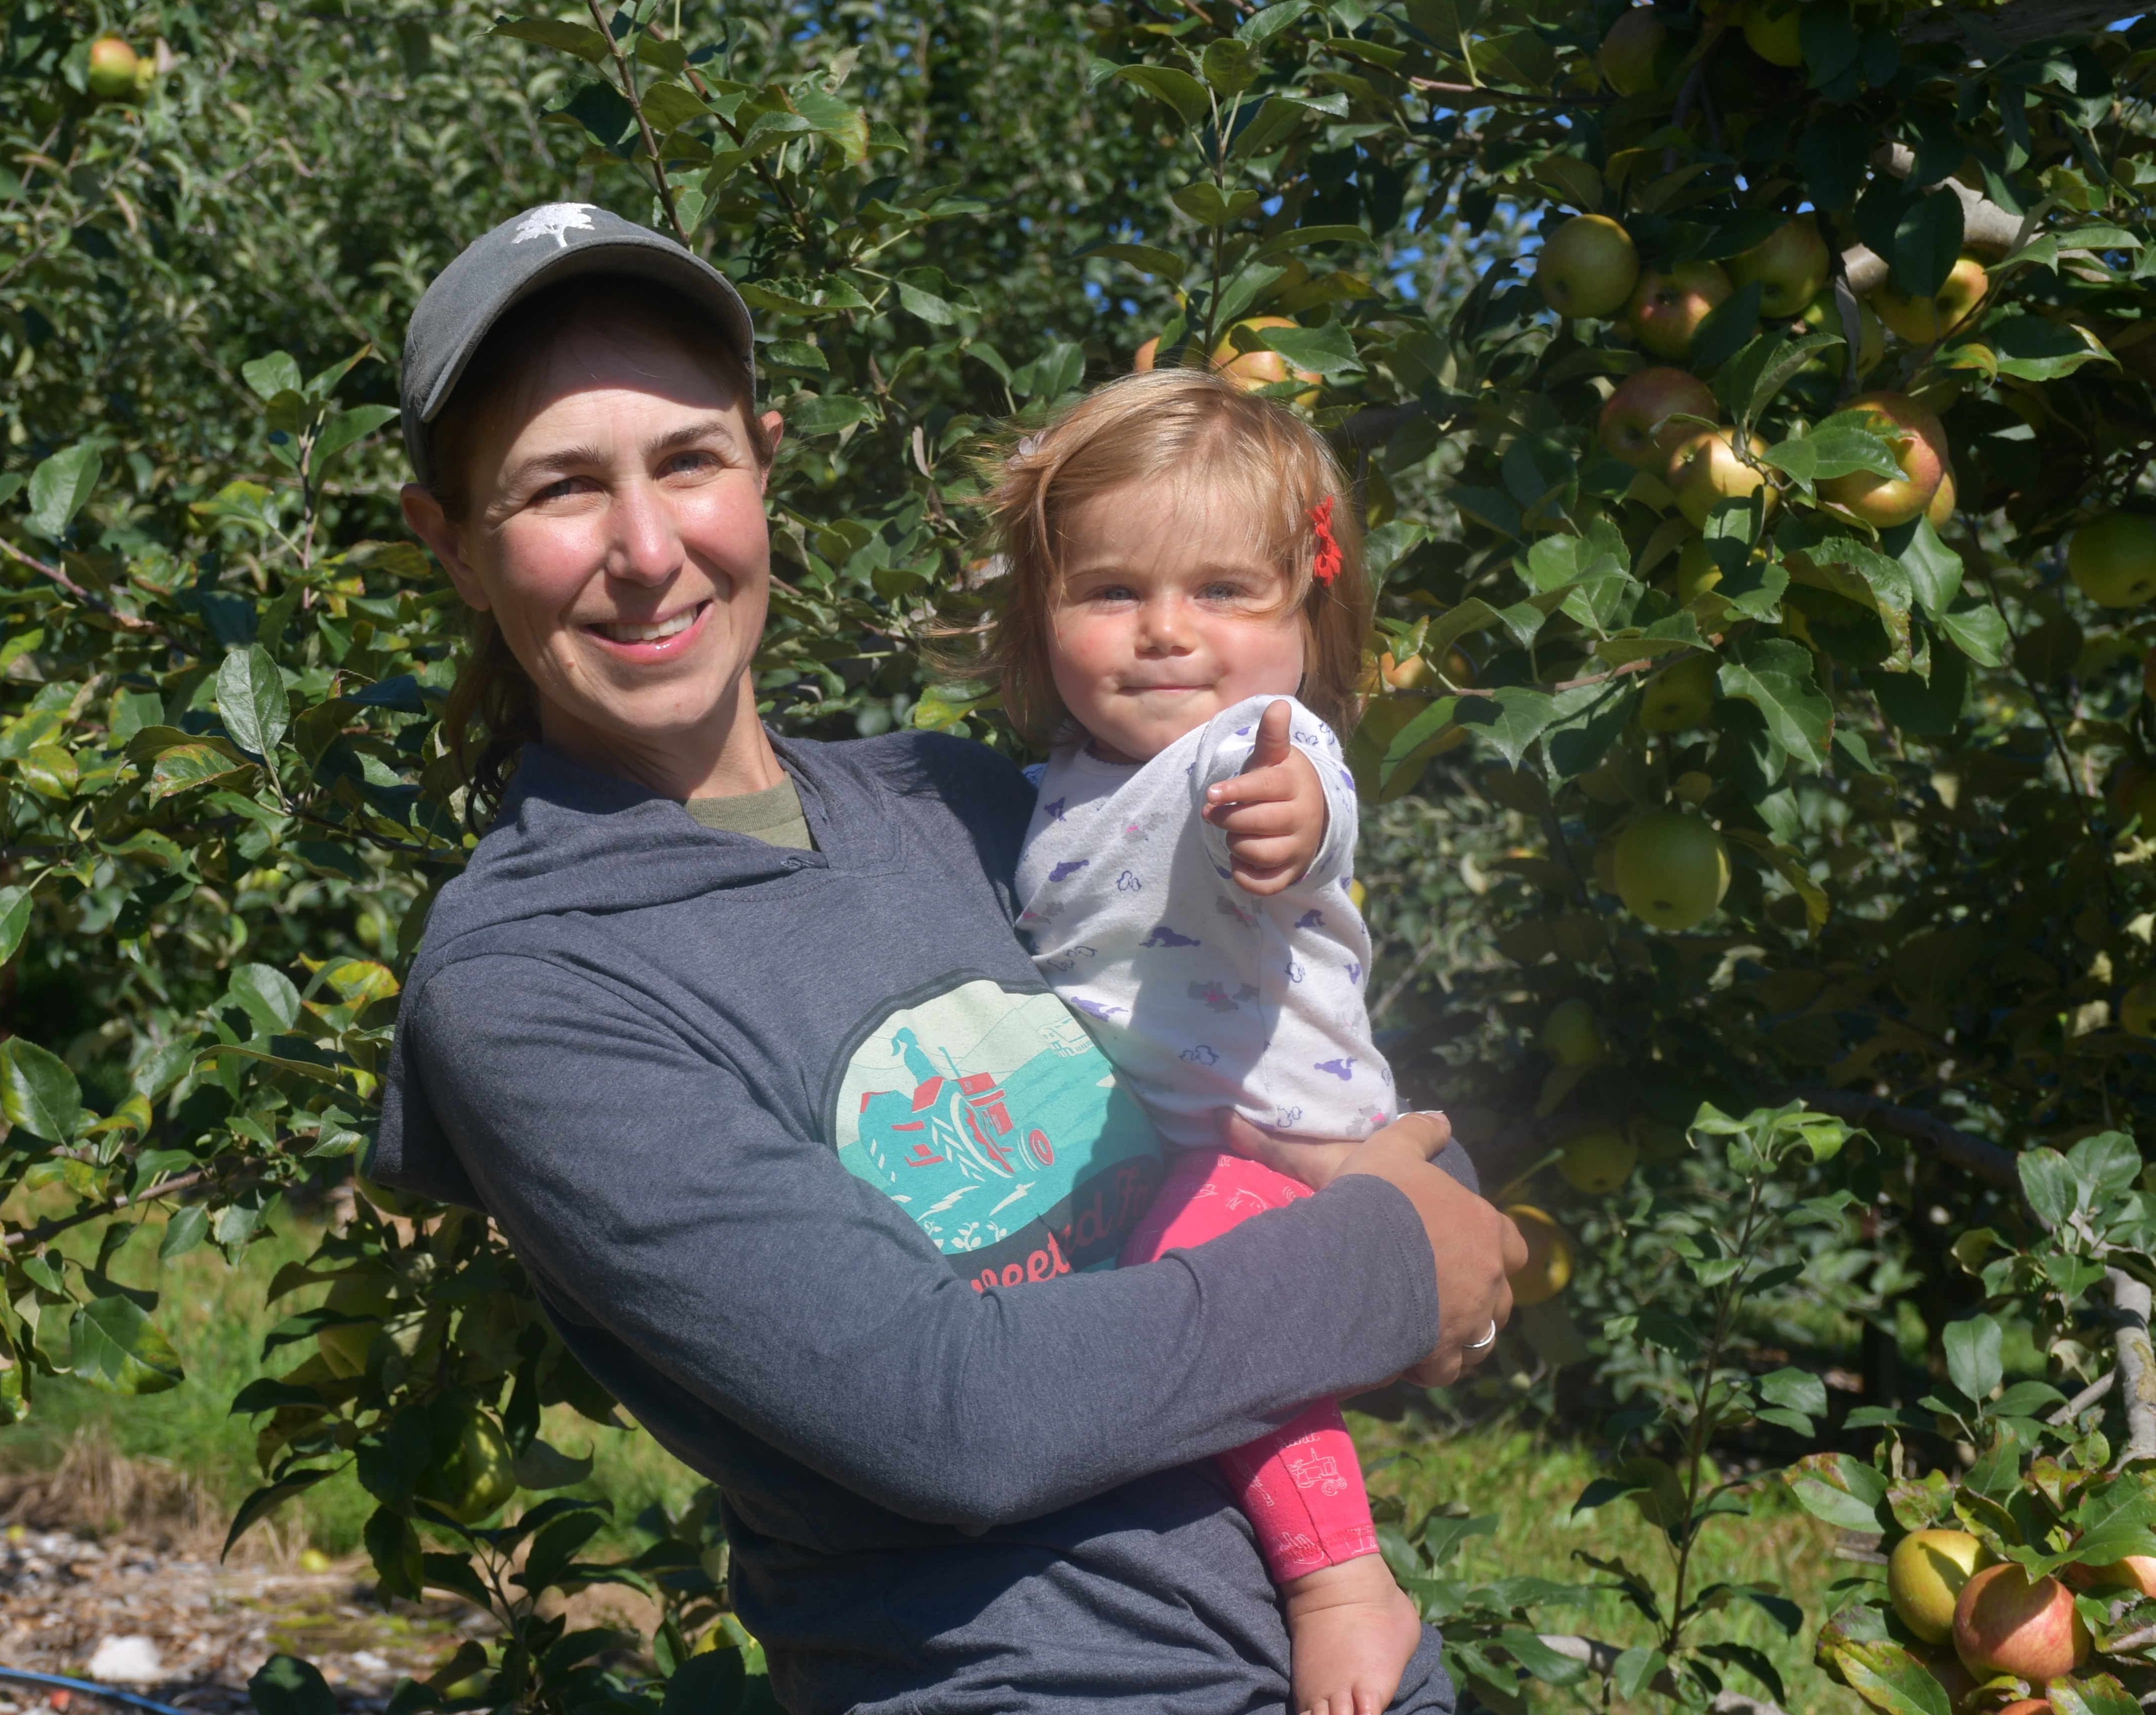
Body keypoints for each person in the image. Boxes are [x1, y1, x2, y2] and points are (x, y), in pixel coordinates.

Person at [376, 199, 1525, 1715]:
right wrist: (1386, 1263)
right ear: (452, 545)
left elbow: (1239, 1032)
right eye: (560, 490)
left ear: (765, 464)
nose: (647, 551)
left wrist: (1391, 1188)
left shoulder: (968, 806)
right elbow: (946, 1414)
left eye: (690, 461)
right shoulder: (534, 983)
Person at [981, 369, 1422, 1715]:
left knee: (1211, 1273)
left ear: (1310, 608)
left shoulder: (1254, 741)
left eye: (1225, 593)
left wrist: (1289, 819)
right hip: (1161, 1136)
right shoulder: (1063, 776)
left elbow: (1312, 798)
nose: (1168, 634)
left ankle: (1343, 1579)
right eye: (1112, 593)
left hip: (1275, 1141)